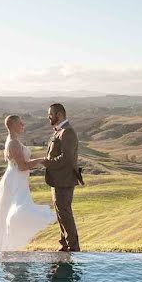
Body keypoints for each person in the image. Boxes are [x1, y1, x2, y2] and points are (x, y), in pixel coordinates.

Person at [0, 115, 56, 251]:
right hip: (15, 180)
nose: (23, 125)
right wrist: (41, 160)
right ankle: (7, 242)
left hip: (18, 179)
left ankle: (5, 244)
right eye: (20, 123)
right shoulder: (13, 143)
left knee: (10, 209)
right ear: (12, 125)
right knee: (20, 208)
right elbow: (22, 166)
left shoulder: (13, 140)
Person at [42, 103, 81, 252]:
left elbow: (66, 158)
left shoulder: (67, 132)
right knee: (60, 213)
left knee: (64, 213)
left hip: (64, 180)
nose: (48, 117)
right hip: (58, 180)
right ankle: (64, 244)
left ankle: (73, 247)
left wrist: (47, 162)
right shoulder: (61, 131)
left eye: (50, 114)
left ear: (58, 114)